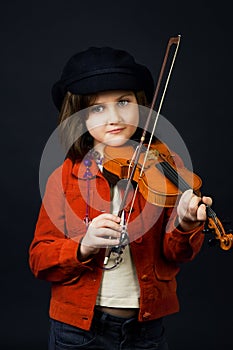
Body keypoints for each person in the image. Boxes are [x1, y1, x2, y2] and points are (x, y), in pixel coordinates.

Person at [29, 46, 212, 350]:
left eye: (124, 102)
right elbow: (39, 259)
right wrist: (84, 245)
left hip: (146, 329)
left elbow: (177, 253)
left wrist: (185, 223)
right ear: (78, 117)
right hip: (77, 329)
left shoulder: (164, 165)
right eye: (97, 108)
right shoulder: (64, 177)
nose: (114, 118)